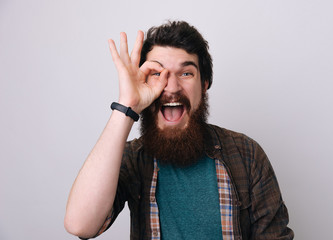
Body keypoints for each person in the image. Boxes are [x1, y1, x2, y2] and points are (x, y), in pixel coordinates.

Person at [64, 21, 294, 240]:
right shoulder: (132, 159)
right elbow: (80, 225)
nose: (171, 87)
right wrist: (127, 105)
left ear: (204, 85)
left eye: (186, 73)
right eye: (157, 73)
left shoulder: (247, 155)